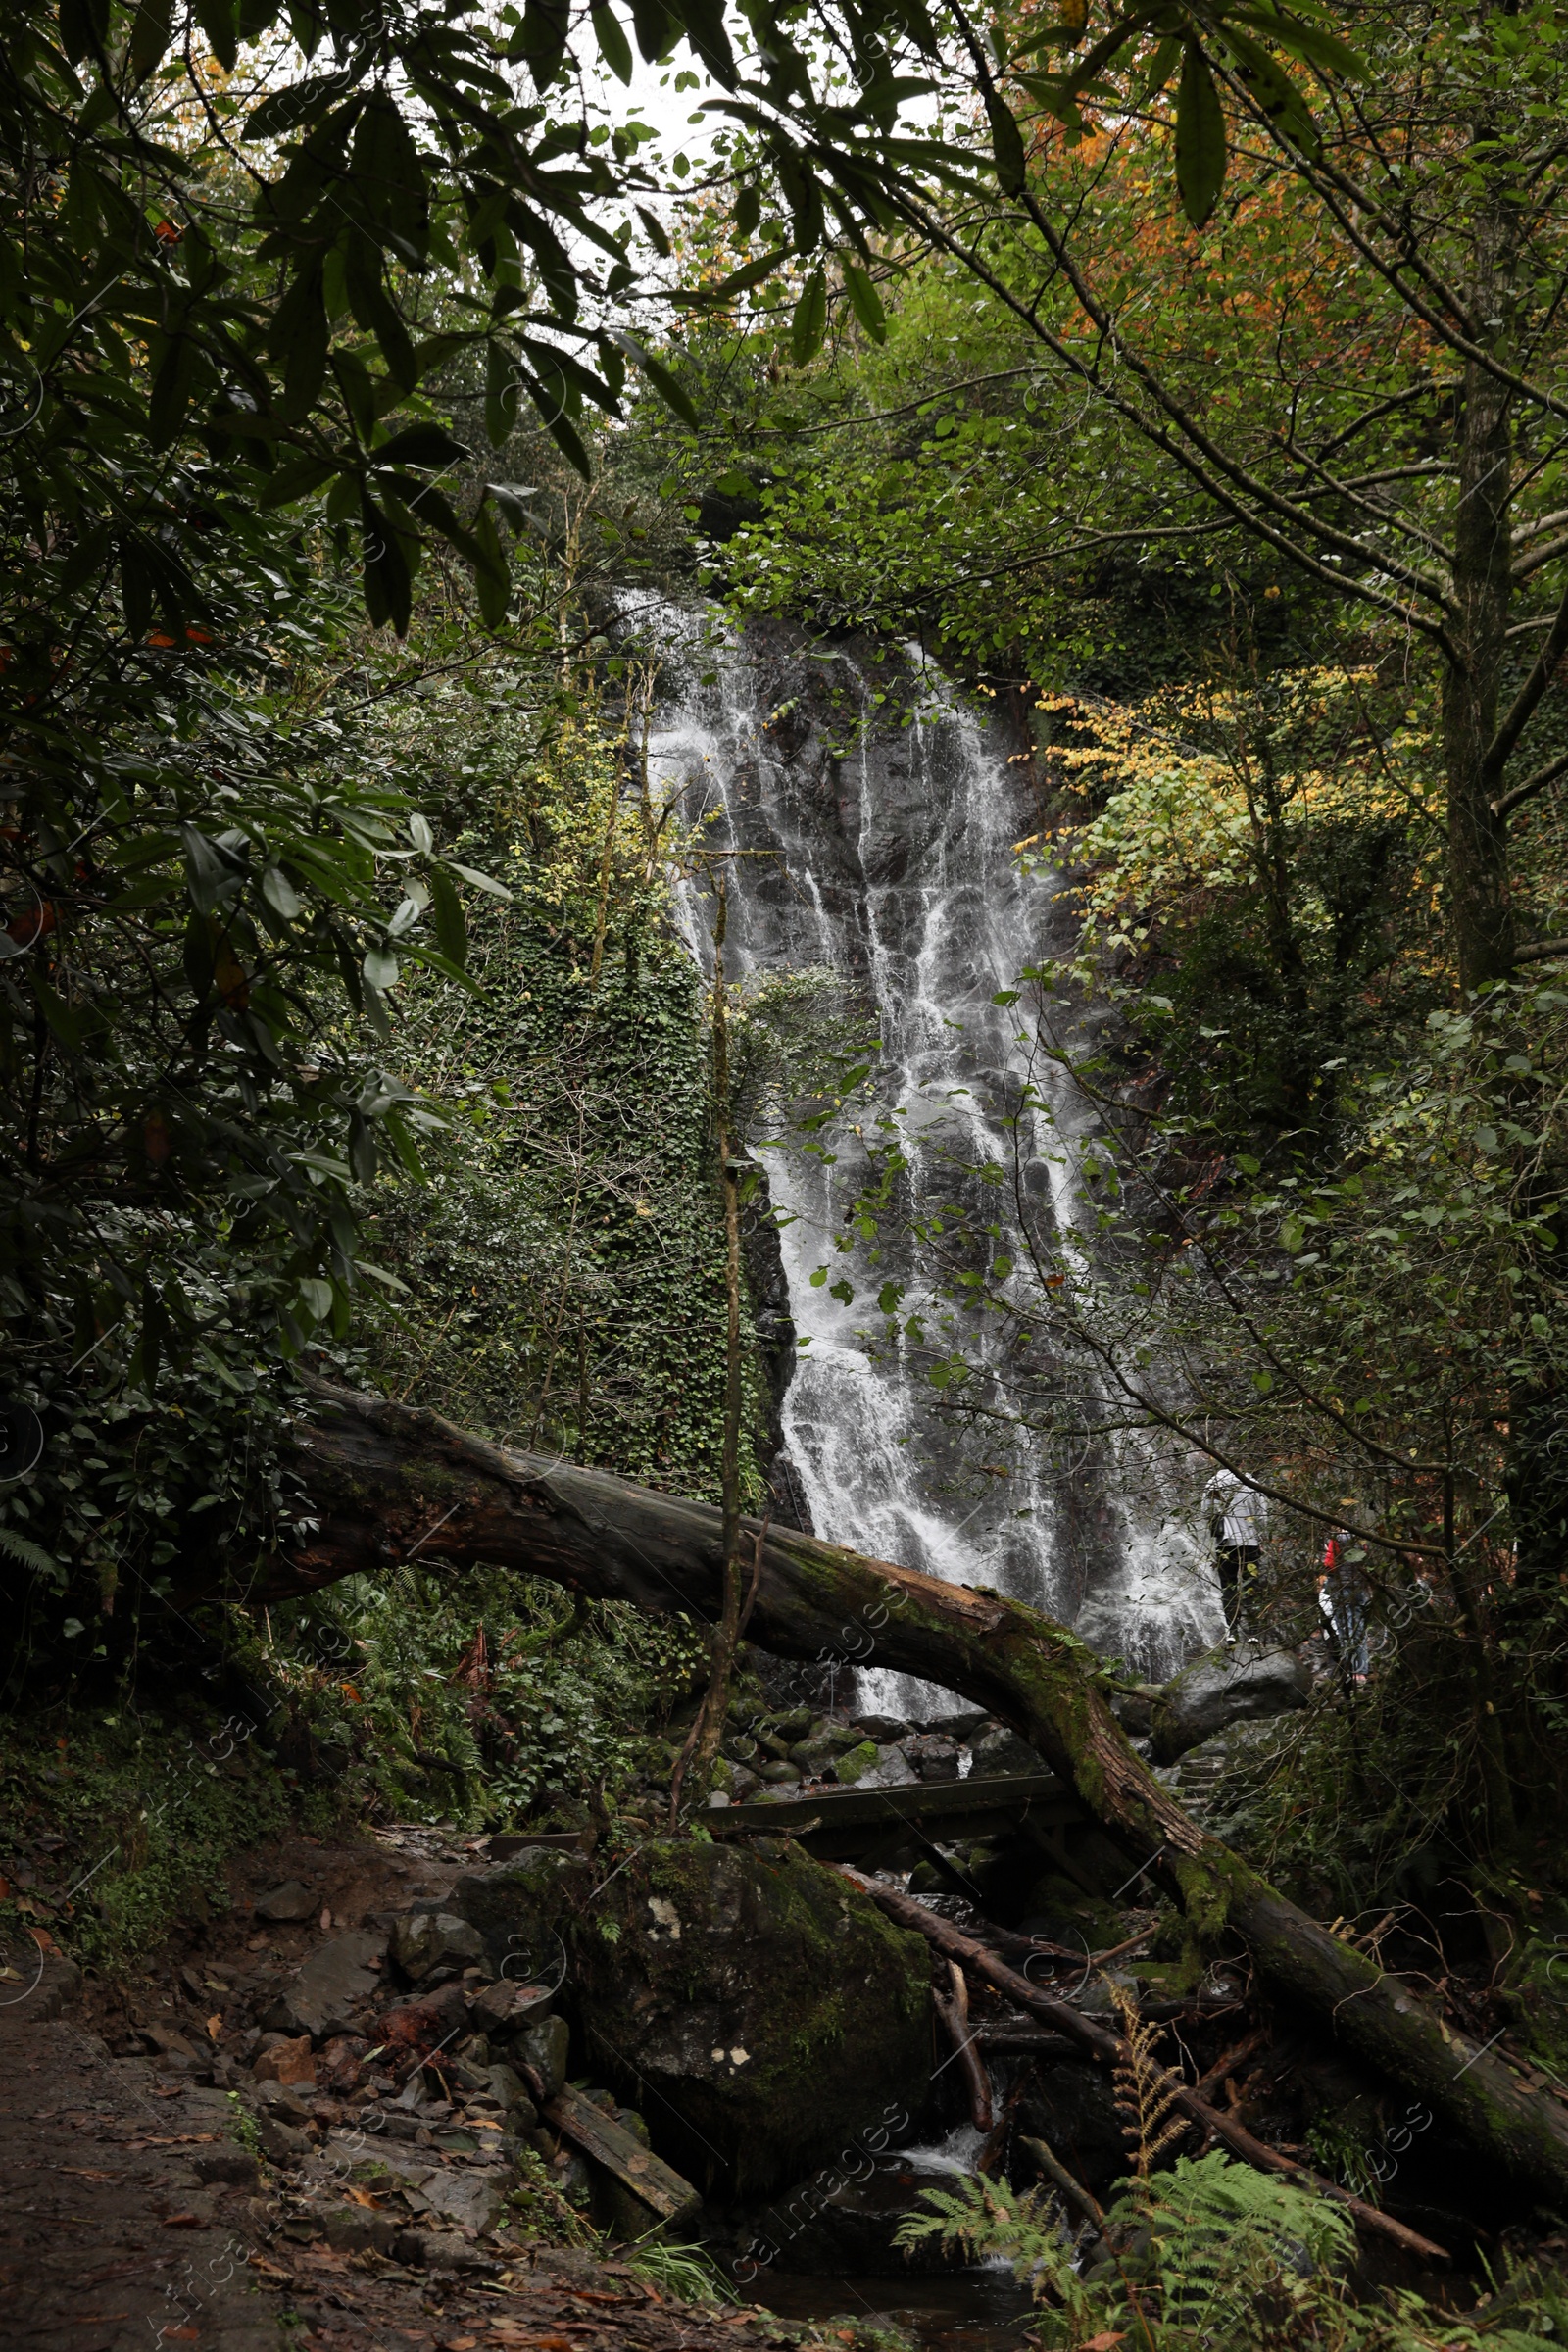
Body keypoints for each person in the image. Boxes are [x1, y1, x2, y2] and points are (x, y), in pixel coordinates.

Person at [1201, 1466, 1264, 1642]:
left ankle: (1232, 1632)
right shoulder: (1252, 1483)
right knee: (1251, 1584)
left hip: (1226, 1544)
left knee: (1228, 1587)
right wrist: (1261, 1537)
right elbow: (1263, 1514)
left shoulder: (1212, 1483)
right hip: (1250, 1543)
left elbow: (1207, 1512)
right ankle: (1253, 1633)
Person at [1318, 1532, 1371, 1681]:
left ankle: (1352, 1670)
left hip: (1342, 1589)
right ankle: (1362, 1670)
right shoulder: (1362, 1536)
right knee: (1359, 1628)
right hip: (1360, 1587)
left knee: (1345, 1629)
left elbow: (1329, 1564)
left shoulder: (1335, 1538)